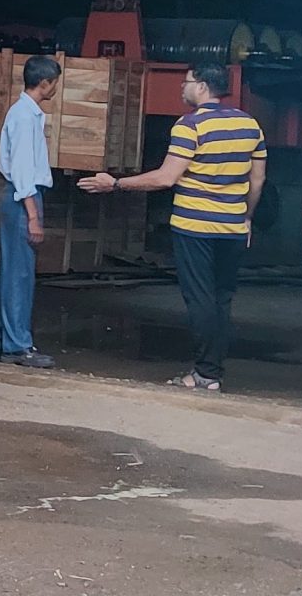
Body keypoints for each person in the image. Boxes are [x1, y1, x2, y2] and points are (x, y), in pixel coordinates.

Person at [79, 63, 265, 391]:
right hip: (233, 229)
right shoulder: (250, 125)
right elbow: (258, 179)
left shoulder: (189, 125)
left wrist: (116, 184)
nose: (182, 87)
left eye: (187, 82)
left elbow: (166, 178)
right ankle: (212, 372)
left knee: (200, 299)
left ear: (203, 87)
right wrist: (246, 217)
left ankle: (205, 374)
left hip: (194, 227)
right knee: (221, 299)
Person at [0, 55, 62, 368]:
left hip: (21, 197)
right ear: (45, 83)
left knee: (12, 271)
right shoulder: (24, 117)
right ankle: (17, 345)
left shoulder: (26, 114)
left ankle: (1, 339)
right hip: (24, 198)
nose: (55, 88)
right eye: (55, 83)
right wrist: (33, 215)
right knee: (20, 274)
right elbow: (22, 171)